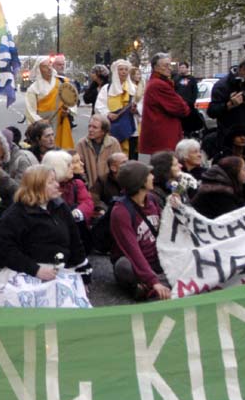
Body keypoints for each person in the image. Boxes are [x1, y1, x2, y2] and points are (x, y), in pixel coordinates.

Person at [0, 165, 85, 282]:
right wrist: (36, 270)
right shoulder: (14, 215)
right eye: (51, 182)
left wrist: (84, 271)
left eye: (56, 180)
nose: (57, 185)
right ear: (36, 186)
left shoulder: (60, 207)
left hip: (58, 270)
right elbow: (6, 251)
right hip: (21, 271)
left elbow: (75, 242)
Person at [109, 160, 168, 299]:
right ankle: (157, 284)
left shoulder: (152, 199)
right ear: (139, 182)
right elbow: (132, 251)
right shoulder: (120, 211)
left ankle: (148, 288)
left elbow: (166, 231)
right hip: (136, 263)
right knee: (122, 266)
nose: (153, 177)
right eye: (149, 174)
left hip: (158, 258)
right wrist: (153, 280)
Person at [0, 129, 35, 239]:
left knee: (8, 221)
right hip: (6, 204)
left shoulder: (21, 160)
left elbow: (19, 190)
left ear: (5, 145)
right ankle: (2, 240)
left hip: (23, 205)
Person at [207, 57, 245, 159]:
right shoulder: (222, 85)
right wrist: (229, 105)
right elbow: (212, 111)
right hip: (230, 137)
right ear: (243, 70)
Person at [138, 53, 191, 161]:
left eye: (169, 65)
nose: (169, 68)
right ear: (155, 67)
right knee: (164, 172)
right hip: (162, 140)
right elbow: (183, 109)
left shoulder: (156, 83)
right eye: (165, 65)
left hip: (157, 140)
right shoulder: (159, 85)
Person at [25, 56, 75, 150]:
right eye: (45, 66)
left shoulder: (62, 82)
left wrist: (68, 111)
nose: (49, 68)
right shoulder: (33, 89)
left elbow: (71, 99)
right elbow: (30, 111)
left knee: (63, 151)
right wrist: (40, 121)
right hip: (44, 126)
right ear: (39, 69)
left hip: (61, 122)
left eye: (50, 65)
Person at [42, 149, 95, 231]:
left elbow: (88, 203)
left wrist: (77, 213)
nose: (72, 167)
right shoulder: (44, 188)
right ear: (58, 167)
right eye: (68, 165)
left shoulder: (77, 183)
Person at [75, 114, 123, 200]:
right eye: (89, 126)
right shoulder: (82, 143)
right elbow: (79, 169)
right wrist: (86, 185)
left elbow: (120, 166)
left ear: (103, 131)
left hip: (109, 191)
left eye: (95, 127)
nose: (90, 130)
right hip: (89, 190)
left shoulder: (113, 143)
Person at [95, 59, 138, 155]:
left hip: (130, 129)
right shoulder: (107, 88)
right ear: (115, 72)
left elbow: (141, 106)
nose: (123, 72)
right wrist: (108, 114)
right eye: (121, 69)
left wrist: (135, 110)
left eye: (126, 69)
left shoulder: (134, 89)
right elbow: (99, 106)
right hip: (111, 128)